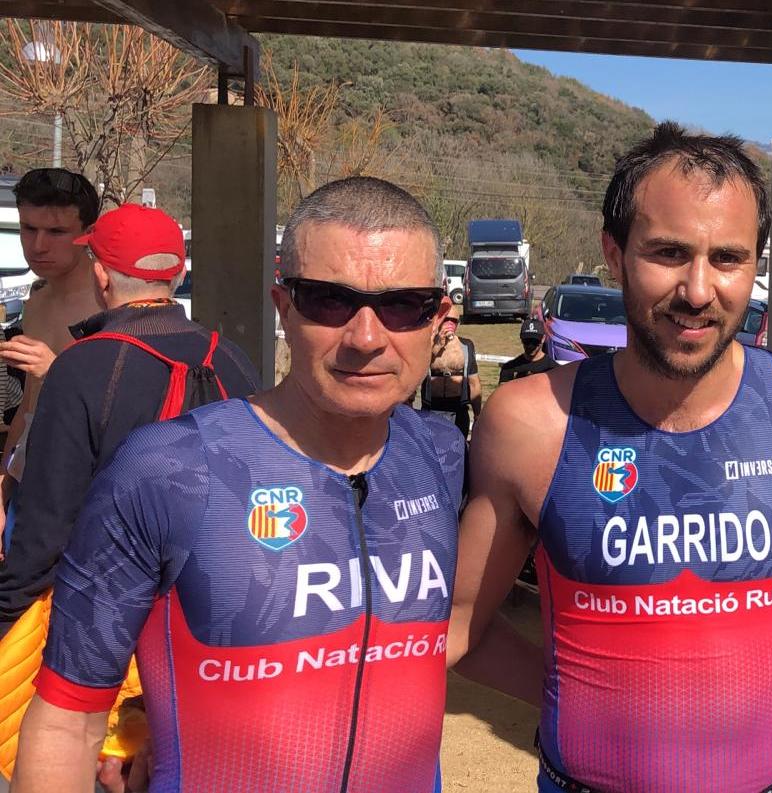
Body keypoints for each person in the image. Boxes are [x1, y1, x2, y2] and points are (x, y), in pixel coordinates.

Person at [446, 122, 772, 793]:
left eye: (727, 258)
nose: (698, 290)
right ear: (613, 253)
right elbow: (460, 628)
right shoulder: (531, 422)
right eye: (668, 252)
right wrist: (579, 703)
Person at [12, 176, 464, 793]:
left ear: (438, 318)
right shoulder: (167, 468)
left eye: (402, 305)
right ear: (283, 307)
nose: (365, 338)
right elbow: (69, 719)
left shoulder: (440, 453)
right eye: (328, 301)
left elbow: (454, 631)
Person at [0, 203, 259, 638]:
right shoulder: (233, 359)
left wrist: (8, 611)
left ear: (100, 276)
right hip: (218, 611)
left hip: (107, 623)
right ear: (176, 276)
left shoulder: (82, 366)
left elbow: (47, 522)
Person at [0, 168, 104, 545]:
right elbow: (30, 404)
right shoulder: (36, 303)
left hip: (90, 493)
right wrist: (5, 482)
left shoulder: (109, 299)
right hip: (32, 491)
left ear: (87, 232)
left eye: (56, 232)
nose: (38, 245)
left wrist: (58, 369)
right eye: (29, 229)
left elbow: (132, 405)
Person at [423, 305, 481, 435]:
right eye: (446, 319)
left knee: (458, 450)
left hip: (458, 409)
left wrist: (477, 414)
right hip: (431, 409)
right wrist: (437, 345)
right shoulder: (426, 344)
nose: (450, 323)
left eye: (454, 320)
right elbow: (415, 374)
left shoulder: (466, 346)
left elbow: (474, 383)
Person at [498, 316, 557, 383]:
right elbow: (503, 392)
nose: (530, 346)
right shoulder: (509, 369)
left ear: (543, 339)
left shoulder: (554, 369)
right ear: (521, 339)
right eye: (527, 341)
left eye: (535, 341)